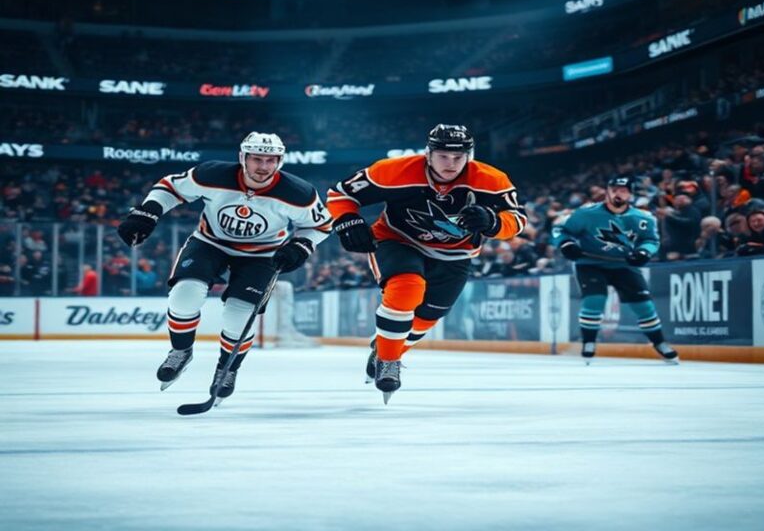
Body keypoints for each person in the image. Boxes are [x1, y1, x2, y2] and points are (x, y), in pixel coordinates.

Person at [117, 132, 331, 402]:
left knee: (239, 315)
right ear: (242, 157)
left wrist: (301, 246)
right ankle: (181, 351)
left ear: (280, 161)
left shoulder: (299, 193)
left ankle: (226, 369)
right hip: (210, 243)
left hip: (262, 255)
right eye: (256, 159)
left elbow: (321, 225)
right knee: (184, 296)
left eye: (271, 160)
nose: (263, 166)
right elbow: (171, 187)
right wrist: (149, 211)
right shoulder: (212, 174)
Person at [326, 124, 527, 402]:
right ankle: (388, 361)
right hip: (398, 239)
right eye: (443, 156)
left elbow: (517, 219)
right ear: (428, 154)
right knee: (407, 289)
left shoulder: (491, 179)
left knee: (428, 317)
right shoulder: (393, 170)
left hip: (457, 253)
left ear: (470, 155)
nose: (451, 164)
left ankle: (387, 349)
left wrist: (494, 222)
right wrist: (347, 220)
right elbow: (340, 194)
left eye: (459, 157)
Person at [552, 176, 679, 364]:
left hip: (624, 264)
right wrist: (566, 244)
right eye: (614, 189)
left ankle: (659, 343)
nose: (618, 193)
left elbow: (651, 240)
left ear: (630, 194)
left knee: (644, 305)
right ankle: (588, 342)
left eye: (623, 190)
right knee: (595, 300)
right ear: (607, 191)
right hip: (590, 263)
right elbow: (561, 229)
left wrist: (644, 252)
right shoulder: (586, 213)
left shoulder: (643, 218)